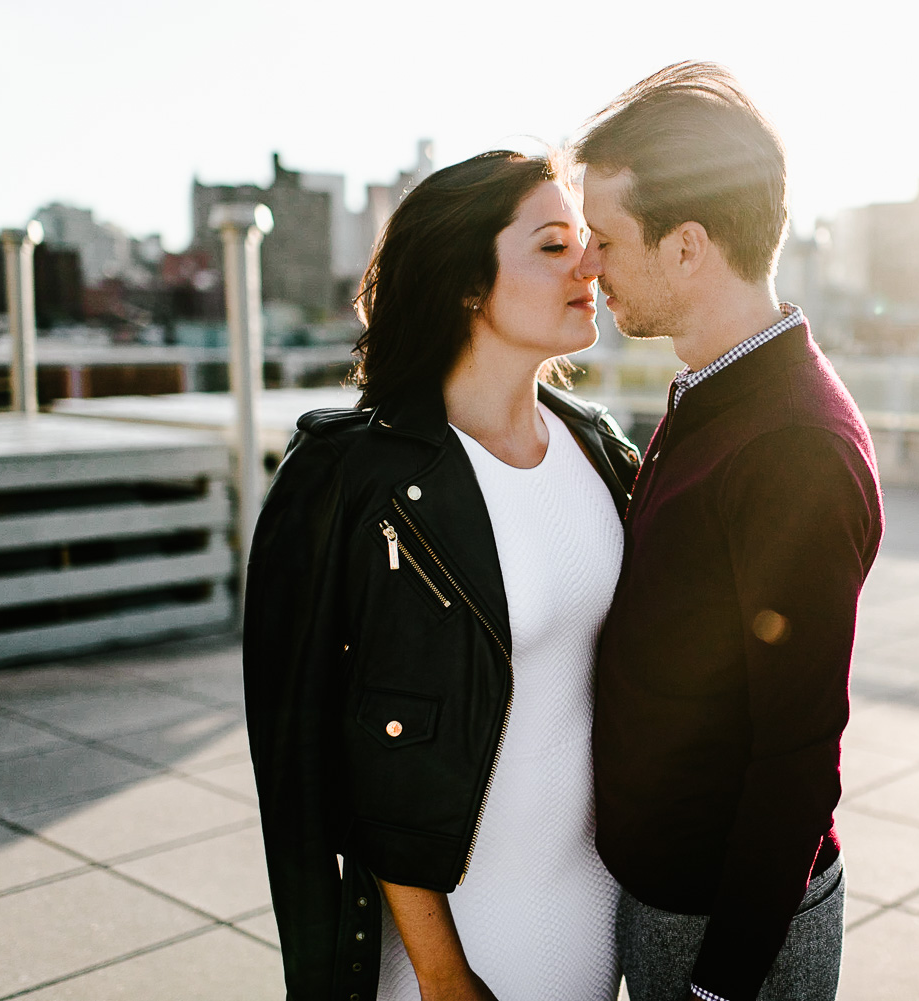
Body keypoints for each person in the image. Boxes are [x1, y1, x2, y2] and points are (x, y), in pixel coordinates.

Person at [242, 150, 639, 1001]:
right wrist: (440, 972)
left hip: (594, 906)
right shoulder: (353, 475)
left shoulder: (602, 451)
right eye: (551, 246)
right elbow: (337, 750)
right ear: (465, 280)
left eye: (588, 241)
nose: (590, 264)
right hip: (456, 937)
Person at [575, 63, 884, 1001]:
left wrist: (721, 986)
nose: (590, 267)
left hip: (729, 931)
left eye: (605, 239)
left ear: (687, 248)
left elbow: (798, 753)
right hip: (667, 898)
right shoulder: (715, 393)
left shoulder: (790, 447)